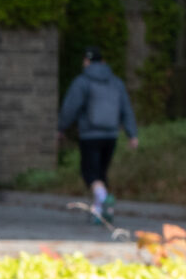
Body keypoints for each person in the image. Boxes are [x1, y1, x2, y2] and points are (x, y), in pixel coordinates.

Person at [57, 47, 139, 227]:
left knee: (90, 172)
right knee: (101, 173)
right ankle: (100, 211)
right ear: (103, 61)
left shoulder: (82, 81)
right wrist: (132, 134)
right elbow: (126, 108)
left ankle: (104, 199)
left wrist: (61, 127)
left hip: (90, 134)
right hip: (111, 135)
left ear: (86, 62)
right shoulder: (116, 82)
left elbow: (70, 107)